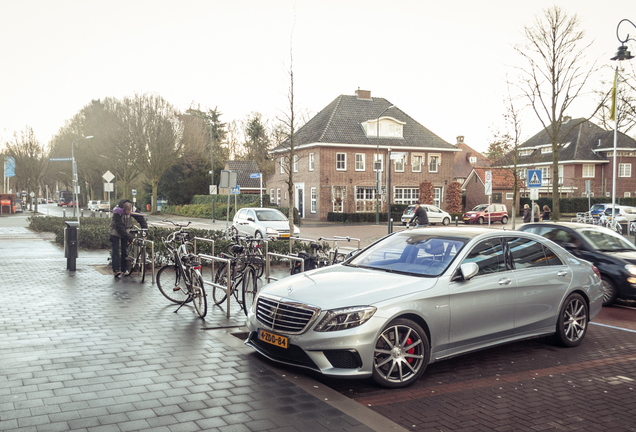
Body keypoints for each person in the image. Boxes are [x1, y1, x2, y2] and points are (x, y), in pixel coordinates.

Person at [110, 199, 148, 278]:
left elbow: (141, 219)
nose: (129, 214)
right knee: (116, 251)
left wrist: (145, 231)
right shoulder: (117, 211)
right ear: (123, 210)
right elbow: (119, 227)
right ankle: (116, 270)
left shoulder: (132, 209)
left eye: (130, 212)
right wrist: (130, 238)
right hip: (115, 231)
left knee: (125, 250)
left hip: (126, 231)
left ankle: (124, 269)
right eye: (128, 213)